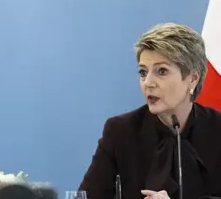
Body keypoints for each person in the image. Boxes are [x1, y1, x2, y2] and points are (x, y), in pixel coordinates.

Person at [78, 23, 221, 199]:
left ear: (192, 79)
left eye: (161, 71)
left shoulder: (218, 129)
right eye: (143, 72)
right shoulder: (120, 131)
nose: (148, 83)